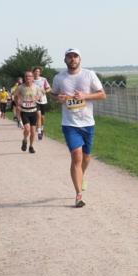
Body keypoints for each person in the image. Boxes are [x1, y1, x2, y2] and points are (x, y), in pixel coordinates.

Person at [50, 49, 105, 207]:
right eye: (69, 57)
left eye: (75, 56)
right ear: (65, 59)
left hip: (88, 123)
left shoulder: (89, 75)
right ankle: (78, 195)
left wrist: (85, 96)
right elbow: (53, 95)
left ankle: (82, 176)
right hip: (70, 123)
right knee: (76, 157)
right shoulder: (59, 77)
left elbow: (102, 95)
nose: (72, 59)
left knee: (86, 158)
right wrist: (58, 98)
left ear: (79, 59)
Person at [13, 71, 41, 154]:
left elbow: (40, 95)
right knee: (27, 129)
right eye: (26, 76)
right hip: (24, 111)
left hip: (33, 111)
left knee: (33, 132)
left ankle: (31, 146)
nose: (28, 78)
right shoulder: (20, 87)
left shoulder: (36, 87)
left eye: (30, 76)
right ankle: (25, 140)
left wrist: (37, 97)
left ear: (33, 78)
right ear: (24, 78)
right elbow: (15, 96)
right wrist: (17, 104)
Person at [32, 66, 51, 141]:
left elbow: (49, 88)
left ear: (40, 72)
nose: (37, 73)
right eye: (35, 71)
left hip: (43, 100)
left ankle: (42, 128)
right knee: (38, 115)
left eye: (38, 71)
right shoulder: (31, 80)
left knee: (42, 117)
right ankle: (39, 132)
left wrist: (44, 91)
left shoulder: (43, 80)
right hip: (35, 101)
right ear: (33, 72)